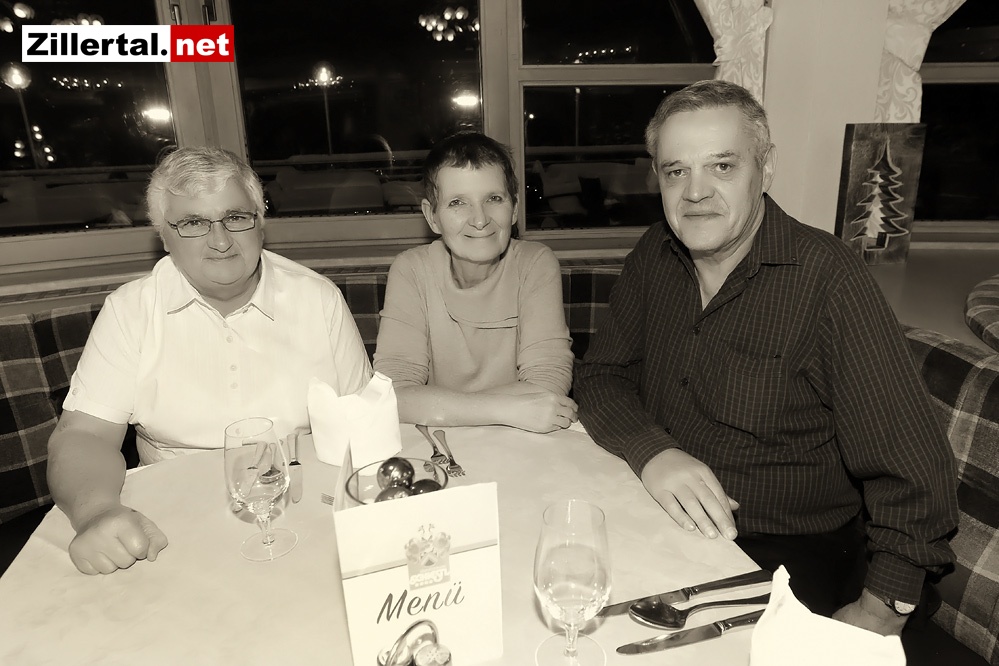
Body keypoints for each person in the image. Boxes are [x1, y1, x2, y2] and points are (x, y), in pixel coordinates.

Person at [574, 80, 958, 638]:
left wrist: (880, 613)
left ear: (766, 168)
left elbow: (915, 473)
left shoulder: (829, 281)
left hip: (786, 554)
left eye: (722, 166)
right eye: (676, 171)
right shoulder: (654, 253)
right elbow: (600, 375)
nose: (695, 192)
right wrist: (654, 451)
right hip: (658, 514)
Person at [47, 147, 372, 575]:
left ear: (260, 222)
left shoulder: (318, 299)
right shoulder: (130, 311)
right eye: (193, 223)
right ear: (163, 237)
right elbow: (82, 437)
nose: (220, 241)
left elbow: (363, 422)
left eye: (235, 217)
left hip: (300, 514)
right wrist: (96, 512)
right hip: (168, 527)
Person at [374, 132, 577, 432]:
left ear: (514, 208)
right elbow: (392, 395)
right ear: (432, 216)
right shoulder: (412, 270)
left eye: (494, 199)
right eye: (458, 202)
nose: (480, 220)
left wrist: (437, 406)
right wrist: (505, 409)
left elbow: (548, 385)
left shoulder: (535, 264)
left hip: (518, 442)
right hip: (440, 443)